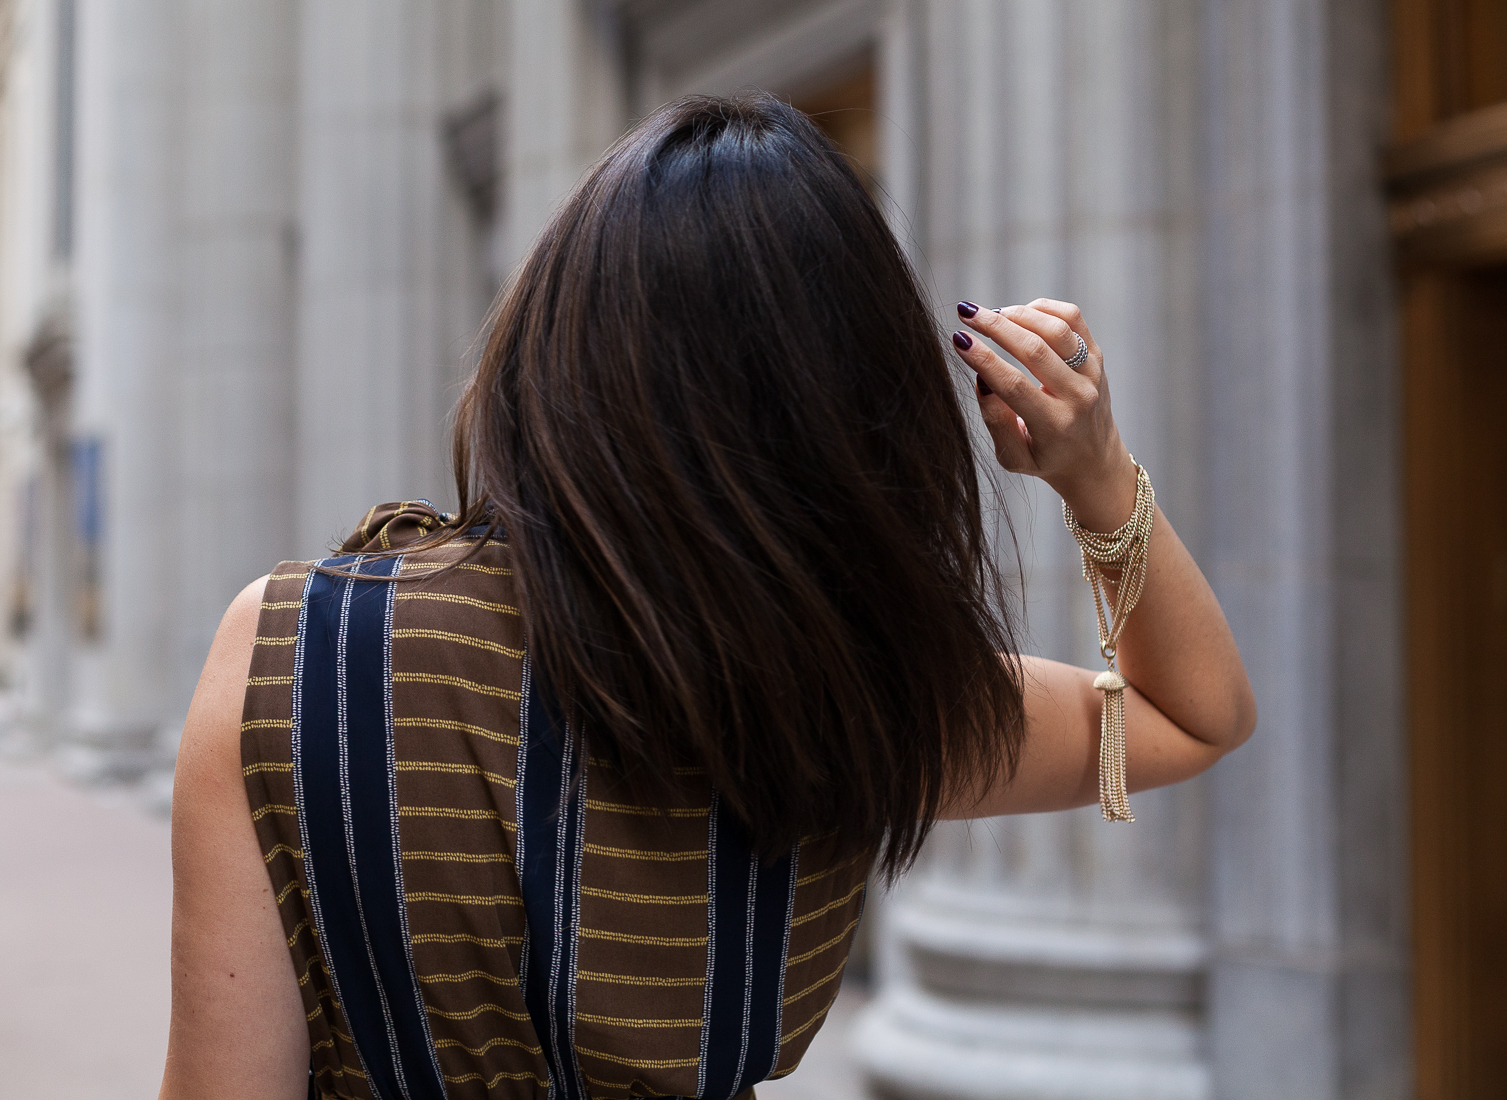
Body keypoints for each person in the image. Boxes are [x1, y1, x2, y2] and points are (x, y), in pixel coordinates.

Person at [157, 93, 1254, 1100]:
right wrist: (1092, 470)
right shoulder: (860, 706)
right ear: (854, 412)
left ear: (554, 344)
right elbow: (1196, 713)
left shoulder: (296, 653)